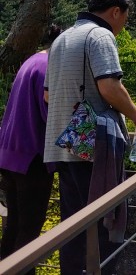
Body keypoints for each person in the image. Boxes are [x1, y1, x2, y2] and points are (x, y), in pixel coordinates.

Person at [43, 0, 136, 275]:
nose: (123, 27)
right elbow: (109, 87)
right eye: (125, 20)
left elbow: (47, 95)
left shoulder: (61, 39)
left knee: (73, 223)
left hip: (64, 143)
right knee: (106, 220)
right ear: (116, 12)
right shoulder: (100, 35)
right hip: (94, 147)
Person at [0, 24, 62, 273]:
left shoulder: (32, 61)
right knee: (29, 231)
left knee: (14, 226)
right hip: (33, 157)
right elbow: (52, 114)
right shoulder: (50, 67)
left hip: (11, 154)